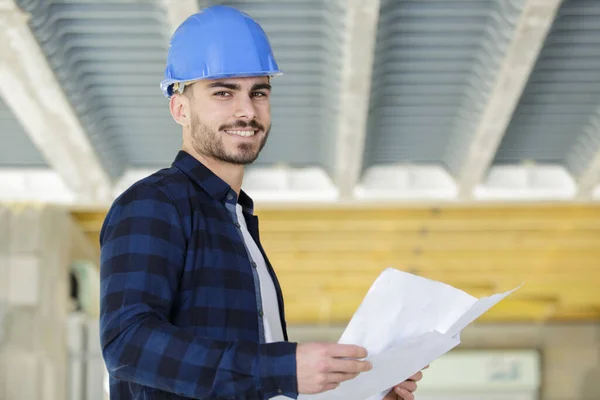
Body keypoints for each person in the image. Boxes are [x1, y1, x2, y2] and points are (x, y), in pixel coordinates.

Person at [99, 5, 425, 400]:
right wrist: (283, 368)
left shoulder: (237, 221)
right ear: (180, 108)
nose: (247, 110)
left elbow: (252, 385)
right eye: (223, 92)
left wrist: (367, 390)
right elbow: (128, 343)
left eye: (259, 92)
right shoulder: (154, 203)